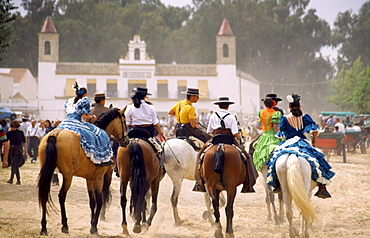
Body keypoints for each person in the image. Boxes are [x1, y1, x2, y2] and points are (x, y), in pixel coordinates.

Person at [266, 94, 335, 199]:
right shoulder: (305, 117)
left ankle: (278, 184)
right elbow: (315, 130)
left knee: (274, 159)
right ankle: (322, 186)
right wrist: (314, 143)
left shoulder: (285, 118)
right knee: (319, 159)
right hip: (302, 142)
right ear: (300, 106)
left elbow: (281, 135)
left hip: (288, 143)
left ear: (289, 107)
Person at [193, 96, 258, 193]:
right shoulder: (232, 117)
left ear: (219, 106)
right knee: (247, 157)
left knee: (200, 156)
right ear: (228, 106)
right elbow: (235, 133)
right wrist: (239, 137)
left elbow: (209, 131)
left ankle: (199, 183)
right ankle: (247, 184)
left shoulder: (213, 116)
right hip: (229, 140)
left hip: (215, 139)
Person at [57, 82, 113, 166]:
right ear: (85, 94)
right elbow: (84, 116)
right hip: (76, 123)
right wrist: (92, 116)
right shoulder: (84, 101)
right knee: (96, 134)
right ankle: (97, 158)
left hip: (66, 122)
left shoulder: (70, 101)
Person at [252, 97, 282, 192]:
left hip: (264, 136)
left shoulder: (261, 113)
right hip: (273, 136)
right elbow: (276, 128)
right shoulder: (276, 113)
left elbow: (262, 125)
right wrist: (281, 136)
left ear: (265, 104)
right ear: (273, 104)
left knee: (253, 147)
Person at [6, 120, 26, 185]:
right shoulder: (11, 133)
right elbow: (7, 142)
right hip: (14, 149)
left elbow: (24, 142)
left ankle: (12, 179)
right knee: (14, 165)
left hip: (16, 149)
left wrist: (25, 151)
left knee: (13, 164)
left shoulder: (18, 133)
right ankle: (17, 180)